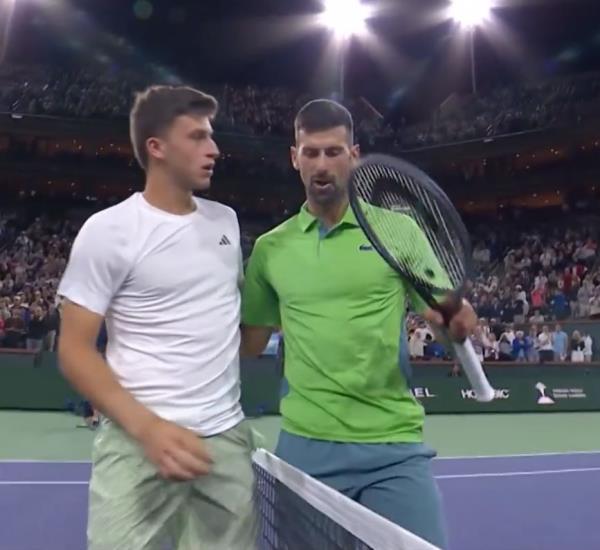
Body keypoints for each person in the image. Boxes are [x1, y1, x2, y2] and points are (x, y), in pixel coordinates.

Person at [240, 99, 477, 549]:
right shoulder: (271, 250)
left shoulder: (399, 231)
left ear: (354, 155)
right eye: (310, 152)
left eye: (333, 152)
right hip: (305, 451)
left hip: (392, 448)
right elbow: (246, 345)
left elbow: (448, 320)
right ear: (295, 158)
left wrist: (455, 324)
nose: (322, 164)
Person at [58, 86, 257, 550]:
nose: (214, 149)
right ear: (157, 147)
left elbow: (234, 327)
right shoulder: (108, 231)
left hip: (224, 445)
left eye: (211, 136)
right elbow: (72, 349)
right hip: (136, 445)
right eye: (197, 137)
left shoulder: (226, 222)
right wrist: (148, 429)